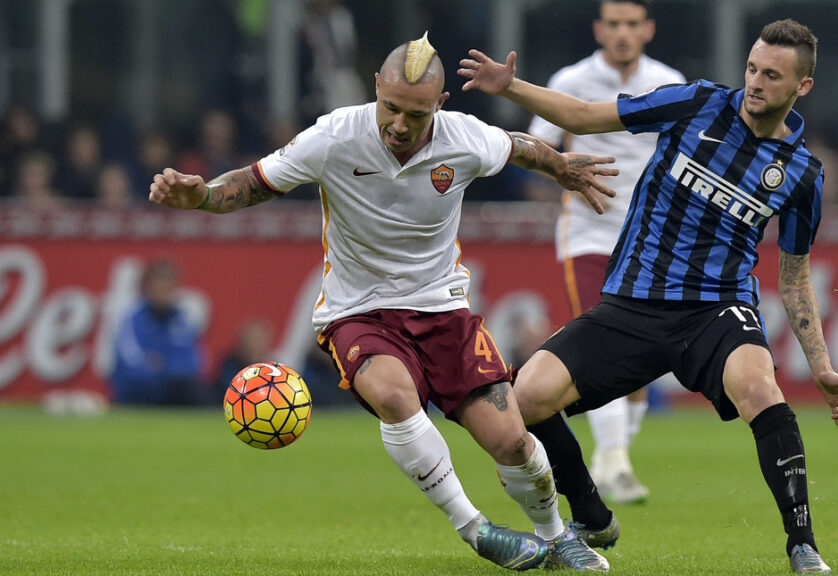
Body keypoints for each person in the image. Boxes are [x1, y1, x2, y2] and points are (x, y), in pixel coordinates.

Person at [149, 33, 613, 572]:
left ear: (440, 104)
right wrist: (202, 196)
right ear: (376, 88)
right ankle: (476, 529)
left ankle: (555, 537)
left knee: (511, 442)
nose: (398, 124)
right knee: (394, 396)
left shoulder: (464, 138)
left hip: (443, 310)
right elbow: (253, 183)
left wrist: (561, 167)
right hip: (358, 312)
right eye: (390, 107)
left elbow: (518, 145)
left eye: (416, 114)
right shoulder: (333, 137)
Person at [460, 18, 838, 574]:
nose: (755, 82)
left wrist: (820, 364)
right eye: (751, 69)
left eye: (772, 75)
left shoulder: (801, 174)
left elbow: (793, 276)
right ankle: (592, 514)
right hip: (634, 302)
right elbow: (584, 115)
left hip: (717, 310)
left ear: (802, 86)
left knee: (758, 386)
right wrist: (511, 88)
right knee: (524, 398)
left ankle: (803, 546)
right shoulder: (697, 103)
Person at [528, 0, 685, 508]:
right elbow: (536, 145)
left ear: (648, 29)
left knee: (641, 353)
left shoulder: (670, 81)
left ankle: (611, 459)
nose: (622, 33)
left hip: (650, 237)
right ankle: (616, 463)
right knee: (601, 341)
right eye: (614, 24)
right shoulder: (571, 80)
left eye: (631, 24)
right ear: (599, 29)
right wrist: (562, 171)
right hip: (589, 234)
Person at [110, 259, 205, 405]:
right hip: (137, 394)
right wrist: (167, 370)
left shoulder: (181, 321)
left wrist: (161, 366)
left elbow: (192, 364)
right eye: (159, 286)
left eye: (168, 287)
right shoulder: (133, 320)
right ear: (148, 288)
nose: (163, 293)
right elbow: (131, 366)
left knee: (195, 390)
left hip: (173, 391)